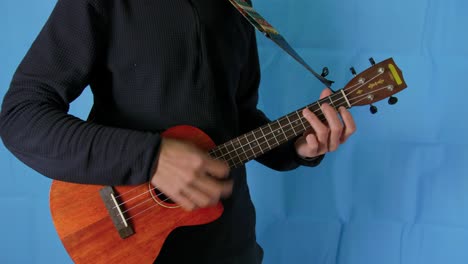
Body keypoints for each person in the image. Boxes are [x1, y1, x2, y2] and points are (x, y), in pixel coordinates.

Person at [0, 0, 356, 263]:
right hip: (135, 245)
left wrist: (297, 147)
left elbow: (237, 118)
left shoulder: (239, 8)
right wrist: (150, 158)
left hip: (231, 249)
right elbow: (21, 115)